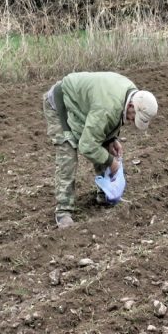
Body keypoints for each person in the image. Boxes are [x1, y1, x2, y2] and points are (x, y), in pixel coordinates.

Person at [43, 71, 157, 228]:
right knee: (68, 154)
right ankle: (63, 211)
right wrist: (112, 162)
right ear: (131, 106)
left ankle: (105, 195)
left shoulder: (133, 94)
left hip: (82, 106)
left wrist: (112, 138)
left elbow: (107, 121)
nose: (131, 121)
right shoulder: (108, 107)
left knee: (105, 146)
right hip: (60, 103)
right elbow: (87, 145)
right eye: (132, 117)